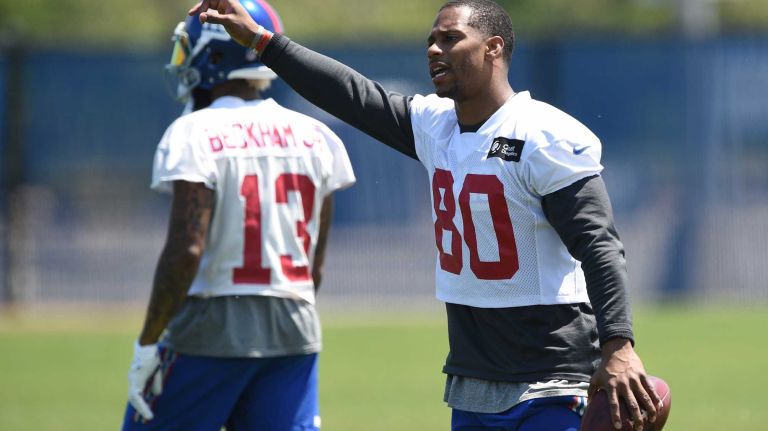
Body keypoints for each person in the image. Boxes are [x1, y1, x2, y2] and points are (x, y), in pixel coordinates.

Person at [188, 0, 663, 430]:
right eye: (430, 41)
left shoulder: (545, 135)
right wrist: (263, 41)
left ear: (493, 48)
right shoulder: (435, 126)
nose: (434, 49)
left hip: (551, 378)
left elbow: (599, 245)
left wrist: (618, 346)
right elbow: (351, 94)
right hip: (472, 378)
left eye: (450, 38)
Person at [121, 1, 356, 430]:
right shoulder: (317, 136)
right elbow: (313, 266)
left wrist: (147, 342)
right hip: (294, 328)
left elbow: (186, 249)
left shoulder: (193, 132)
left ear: (213, 54)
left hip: (211, 327)